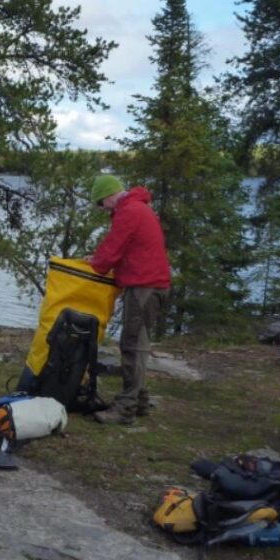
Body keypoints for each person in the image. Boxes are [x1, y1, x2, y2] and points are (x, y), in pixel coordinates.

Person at [87, 174, 171, 425]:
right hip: (151, 284)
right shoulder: (139, 208)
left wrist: (94, 265)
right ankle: (140, 401)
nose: (102, 209)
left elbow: (112, 248)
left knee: (133, 345)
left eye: (101, 203)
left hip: (144, 286)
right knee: (138, 343)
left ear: (109, 196)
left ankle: (125, 408)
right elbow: (126, 250)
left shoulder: (129, 212)